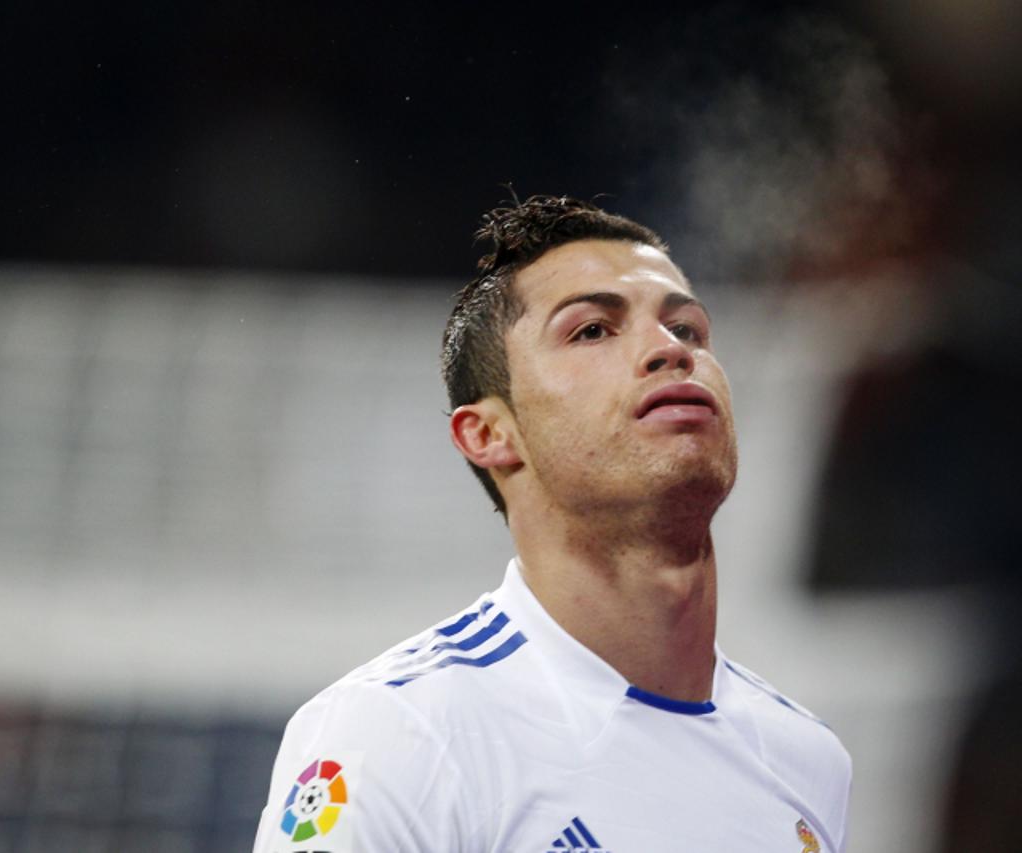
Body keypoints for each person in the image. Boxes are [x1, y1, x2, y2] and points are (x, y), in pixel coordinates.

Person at [252, 195, 851, 853]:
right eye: (592, 329)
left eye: (688, 329)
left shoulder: (809, 759)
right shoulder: (398, 731)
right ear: (488, 433)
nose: (668, 349)